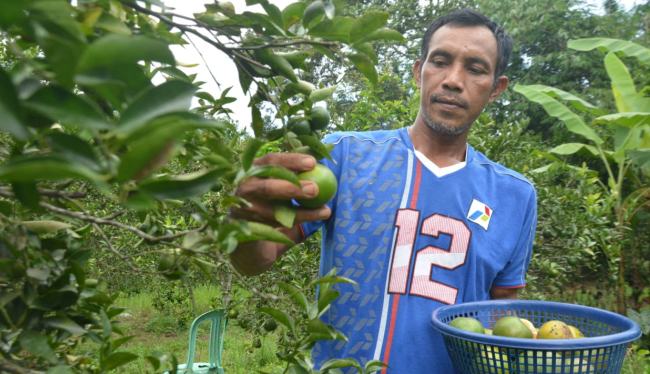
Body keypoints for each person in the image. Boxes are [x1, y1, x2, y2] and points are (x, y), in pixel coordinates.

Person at [230, 9, 537, 374]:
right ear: (418, 71)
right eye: (440, 61)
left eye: (475, 68)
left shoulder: (514, 195)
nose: (454, 80)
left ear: (496, 88)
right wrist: (243, 220)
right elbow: (253, 261)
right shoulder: (345, 156)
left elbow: (505, 319)